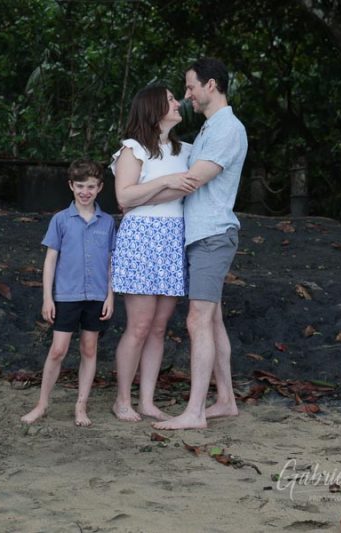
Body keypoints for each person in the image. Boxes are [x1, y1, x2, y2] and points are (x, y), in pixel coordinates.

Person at [153, 58, 248, 430]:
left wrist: (137, 195)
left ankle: (195, 412)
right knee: (213, 320)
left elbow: (192, 179)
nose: (187, 94)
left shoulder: (228, 129)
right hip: (201, 235)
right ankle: (225, 400)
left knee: (197, 319)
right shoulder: (212, 128)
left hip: (212, 235)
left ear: (211, 85)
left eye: (191, 87)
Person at [110, 84, 196, 422]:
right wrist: (167, 182)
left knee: (159, 327)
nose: (178, 103)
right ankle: (122, 400)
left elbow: (184, 192)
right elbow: (125, 199)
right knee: (140, 325)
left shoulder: (186, 150)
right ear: (153, 108)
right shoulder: (133, 149)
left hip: (173, 236)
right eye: (172, 99)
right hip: (142, 237)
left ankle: (146, 400)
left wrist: (168, 186)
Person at [21, 160, 116, 427]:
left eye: (91, 186)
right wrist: (47, 297)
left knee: (89, 347)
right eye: (80, 186)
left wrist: (110, 295)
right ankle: (42, 404)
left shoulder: (107, 222)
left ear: (99, 188)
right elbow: (50, 260)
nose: (85, 191)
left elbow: (110, 261)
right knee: (58, 350)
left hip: (97, 295)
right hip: (66, 295)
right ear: (71, 186)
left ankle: (81, 405)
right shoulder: (60, 220)